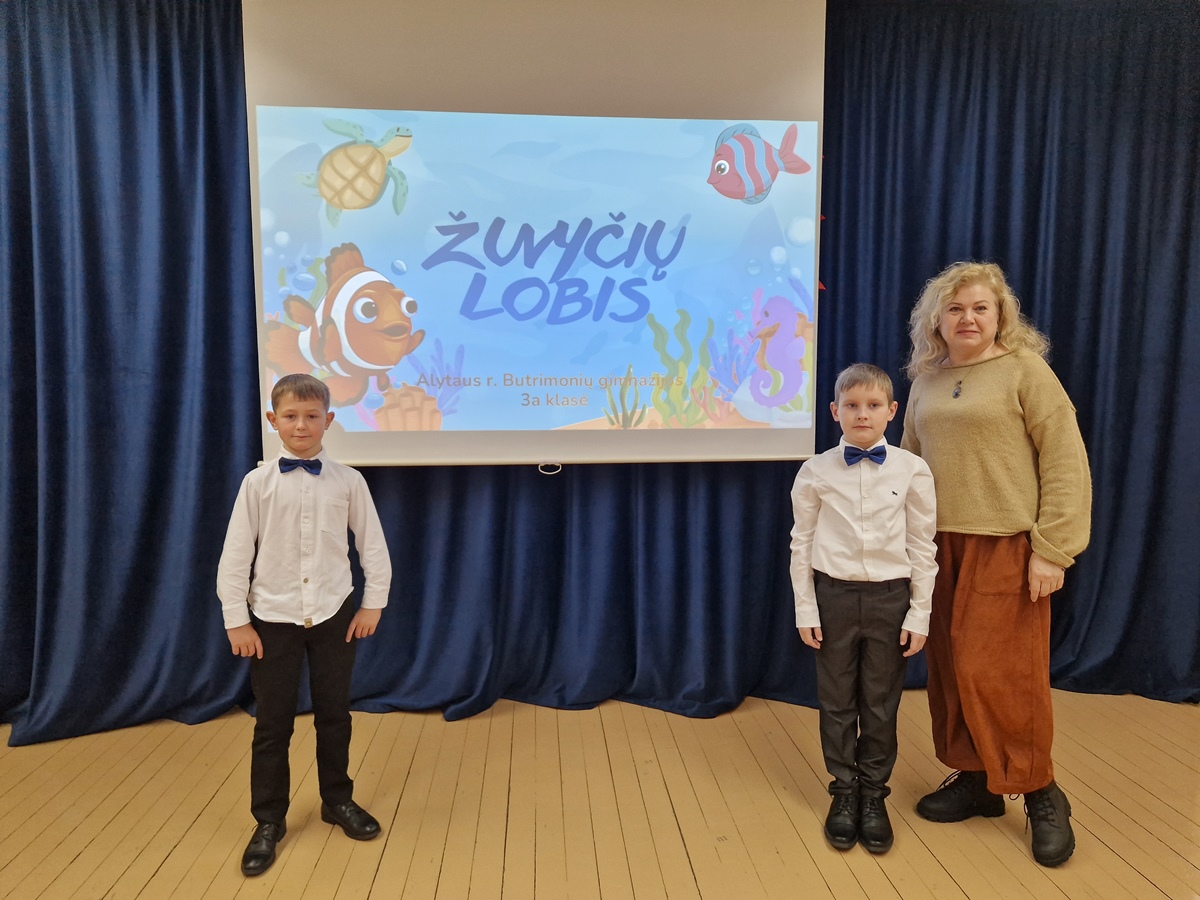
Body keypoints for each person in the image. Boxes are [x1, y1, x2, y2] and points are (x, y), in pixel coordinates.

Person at [901, 261, 1091, 867]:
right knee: (952, 669)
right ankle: (978, 779)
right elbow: (907, 464)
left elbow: (1064, 459)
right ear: (937, 320)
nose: (968, 318)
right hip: (937, 547)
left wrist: (1052, 549)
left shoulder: (1025, 370)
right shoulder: (926, 381)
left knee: (1004, 673)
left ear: (1000, 315)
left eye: (980, 307)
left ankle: (1040, 790)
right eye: (955, 309)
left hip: (1006, 544)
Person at [216, 373, 393, 877]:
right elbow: (235, 557)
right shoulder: (256, 485)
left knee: (335, 713)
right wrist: (236, 620)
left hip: (334, 614)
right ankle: (269, 820)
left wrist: (372, 605)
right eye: (291, 416)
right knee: (273, 724)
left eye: (312, 416)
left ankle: (337, 800)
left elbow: (373, 548)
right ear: (273, 420)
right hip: (272, 618)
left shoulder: (349, 481)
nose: (301, 425)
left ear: (328, 420)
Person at [790, 363, 938, 853]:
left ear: (892, 411)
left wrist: (919, 613)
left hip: (890, 600)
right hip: (833, 597)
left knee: (880, 702)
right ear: (835, 411)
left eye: (873, 405)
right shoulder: (815, 471)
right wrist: (806, 608)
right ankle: (843, 791)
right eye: (852, 405)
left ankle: (873, 794)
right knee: (836, 701)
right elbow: (801, 542)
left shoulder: (912, 470)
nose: (862, 414)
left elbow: (923, 546)